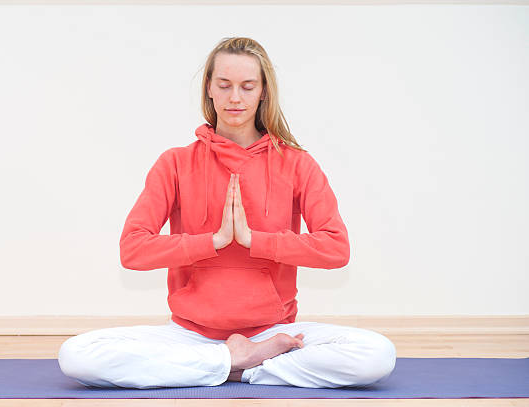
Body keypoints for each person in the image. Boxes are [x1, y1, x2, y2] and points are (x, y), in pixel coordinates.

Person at [57, 36, 396, 389]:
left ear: (264, 91)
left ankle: (230, 365)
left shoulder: (297, 164)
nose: (235, 98)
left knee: (376, 355)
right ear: (209, 89)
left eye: (248, 87)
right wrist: (213, 241)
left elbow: (336, 249)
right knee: (77, 355)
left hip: (273, 331)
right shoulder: (174, 163)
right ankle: (235, 362)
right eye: (225, 85)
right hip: (189, 334)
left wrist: (255, 241)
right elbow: (132, 250)